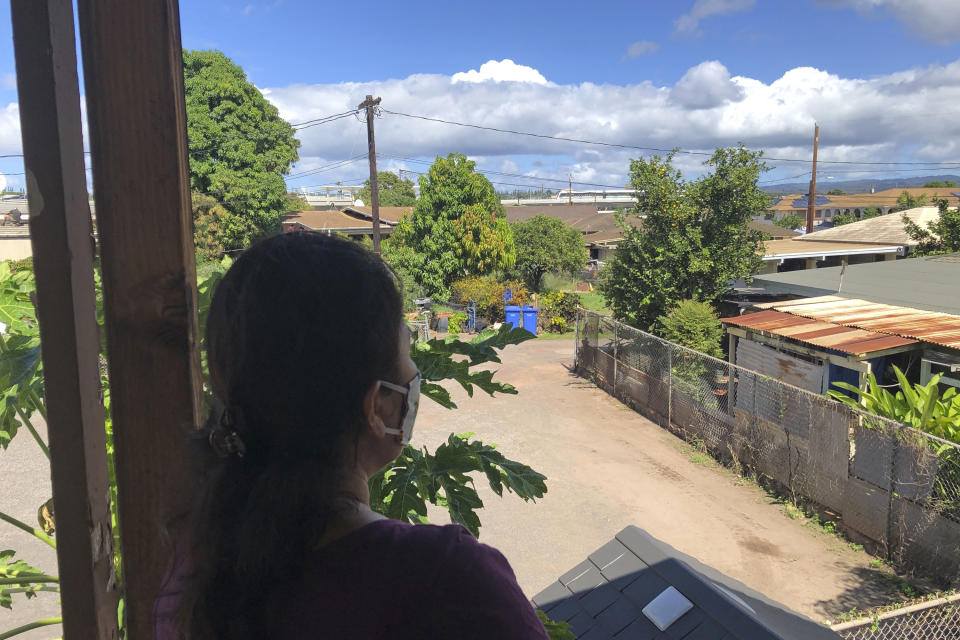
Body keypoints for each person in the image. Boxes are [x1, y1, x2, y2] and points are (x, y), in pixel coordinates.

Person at [154, 232, 549, 640]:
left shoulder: (193, 573)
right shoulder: (447, 582)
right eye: (406, 353)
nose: (413, 372)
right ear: (377, 408)